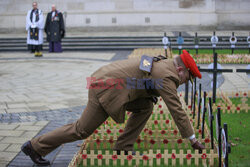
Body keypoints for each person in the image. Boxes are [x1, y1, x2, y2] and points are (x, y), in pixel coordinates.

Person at [21, 50, 205, 165]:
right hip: (105, 87)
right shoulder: (167, 76)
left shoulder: (166, 63)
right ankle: (35, 146)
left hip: (115, 84)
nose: (184, 82)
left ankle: (123, 146)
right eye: (187, 79)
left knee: (146, 107)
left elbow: (144, 79)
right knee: (81, 130)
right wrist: (192, 139)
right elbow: (177, 109)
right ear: (181, 70)